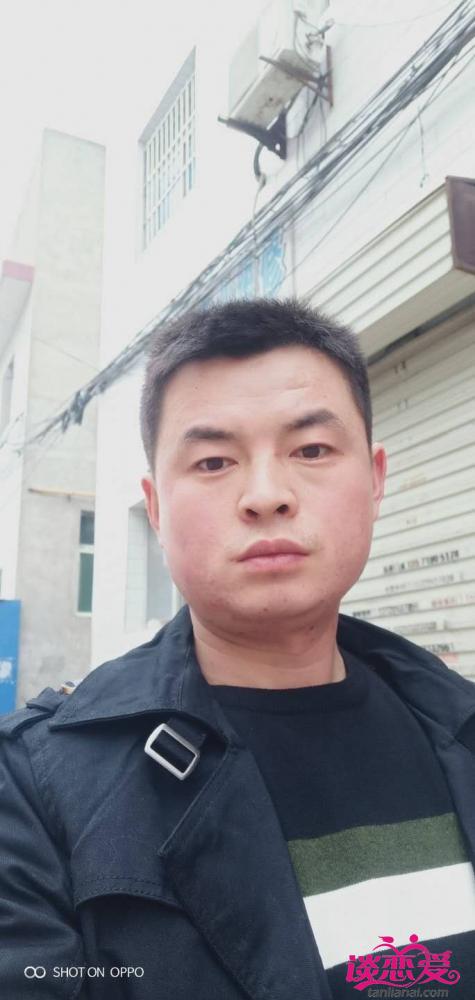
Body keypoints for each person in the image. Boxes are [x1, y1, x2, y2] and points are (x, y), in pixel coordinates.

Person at [1, 298, 474, 1000]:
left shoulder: (459, 725)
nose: (266, 495)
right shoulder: (33, 793)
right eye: (214, 460)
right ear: (155, 506)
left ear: (374, 479)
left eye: (311, 450)